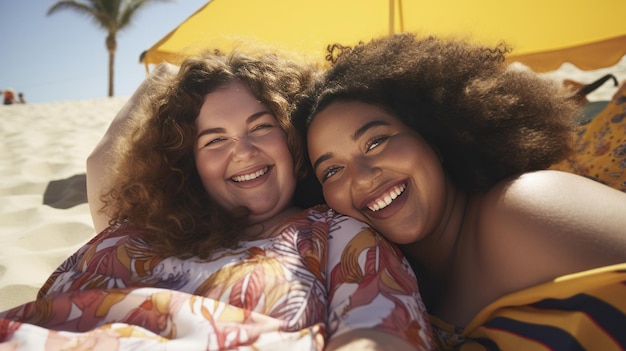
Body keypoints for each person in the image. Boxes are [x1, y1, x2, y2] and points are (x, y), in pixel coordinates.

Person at [0, 49, 435, 350]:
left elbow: (382, 332)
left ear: (291, 137)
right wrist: (166, 77)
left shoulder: (336, 232)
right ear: (186, 161)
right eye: (214, 140)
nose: (242, 151)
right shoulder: (138, 223)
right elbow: (102, 160)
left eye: (261, 126)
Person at [296, 33, 626, 350]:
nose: (363, 177)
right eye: (333, 170)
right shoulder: (399, 286)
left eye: (376, 141)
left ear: (433, 138)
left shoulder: (525, 207)